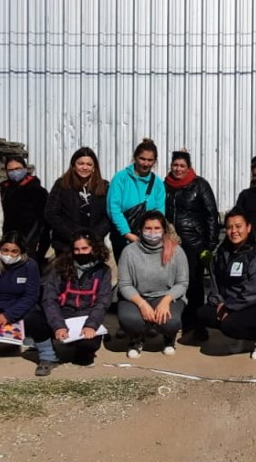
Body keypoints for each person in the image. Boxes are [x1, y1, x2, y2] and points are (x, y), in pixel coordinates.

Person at [197, 208, 256, 359]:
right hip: (234, 303)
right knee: (203, 313)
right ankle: (241, 335)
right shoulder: (222, 254)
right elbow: (215, 282)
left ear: (248, 228)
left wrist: (229, 307)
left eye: (238, 226)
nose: (234, 231)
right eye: (230, 227)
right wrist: (219, 301)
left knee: (230, 325)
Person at [29, 232, 113, 376]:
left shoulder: (103, 271)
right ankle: (47, 356)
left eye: (85, 249)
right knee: (33, 317)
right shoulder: (59, 267)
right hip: (62, 314)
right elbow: (49, 299)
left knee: (88, 347)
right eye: (77, 249)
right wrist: (58, 325)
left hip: (85, 317)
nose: (80, 253)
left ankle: (79, 350)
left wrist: (91, 325)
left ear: (94, 248)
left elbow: (102, 302)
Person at [163, 149, 220, 338]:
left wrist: (210, 244)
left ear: (189, 168)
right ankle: (175, 321)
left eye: (182, 166)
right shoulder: (165, 186)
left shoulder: (200, 185)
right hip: (171, 242)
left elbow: (211, 214)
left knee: (194, 284)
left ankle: (196, 324)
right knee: (173, 282)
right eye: (175, 165)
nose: (178, 169)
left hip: (194, 243)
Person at [116, 211, 189, 357]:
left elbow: (182, 282)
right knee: (130, 320)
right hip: (137, 297)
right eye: (148, 228)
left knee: (171, 321)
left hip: (164, 296)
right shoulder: (129, 252)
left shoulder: (176, 250)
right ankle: (136, 339)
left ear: (164, 230)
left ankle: (169, 338)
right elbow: (124, 284)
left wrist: (166, 301)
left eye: (157, 228)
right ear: (140, 230)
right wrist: (142, 304)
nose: (152, 232)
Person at [45, 147, 113, 257]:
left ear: (94, 167)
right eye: (80, 163)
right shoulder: (62, 185)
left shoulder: (104, 186)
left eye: (89, 164)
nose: (84, 167)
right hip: (65, 245)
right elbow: (51, 213)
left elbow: (109, 215)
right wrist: (74, 236)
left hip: (93, 245)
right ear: (73, 165)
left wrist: (93, 236)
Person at [107, 138, 166, 260]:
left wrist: (152, 235)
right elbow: (113, 208)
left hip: (149, 239)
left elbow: (159, 213)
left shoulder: (158, 183)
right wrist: (128, 234)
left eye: (150, 160)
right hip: (122, 237)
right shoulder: (120, 178)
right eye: (142, 159)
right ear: (135, 157)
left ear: (155, 161)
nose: (145, 163)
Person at [0, 156, 51, 267]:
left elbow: (43, 221)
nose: (15, 172)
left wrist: (39, 243)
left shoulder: (37, 191)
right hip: (7, 240)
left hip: (30, 241)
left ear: (25, 169)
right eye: (11, 170)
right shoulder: (3, 189)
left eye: (18, 168)